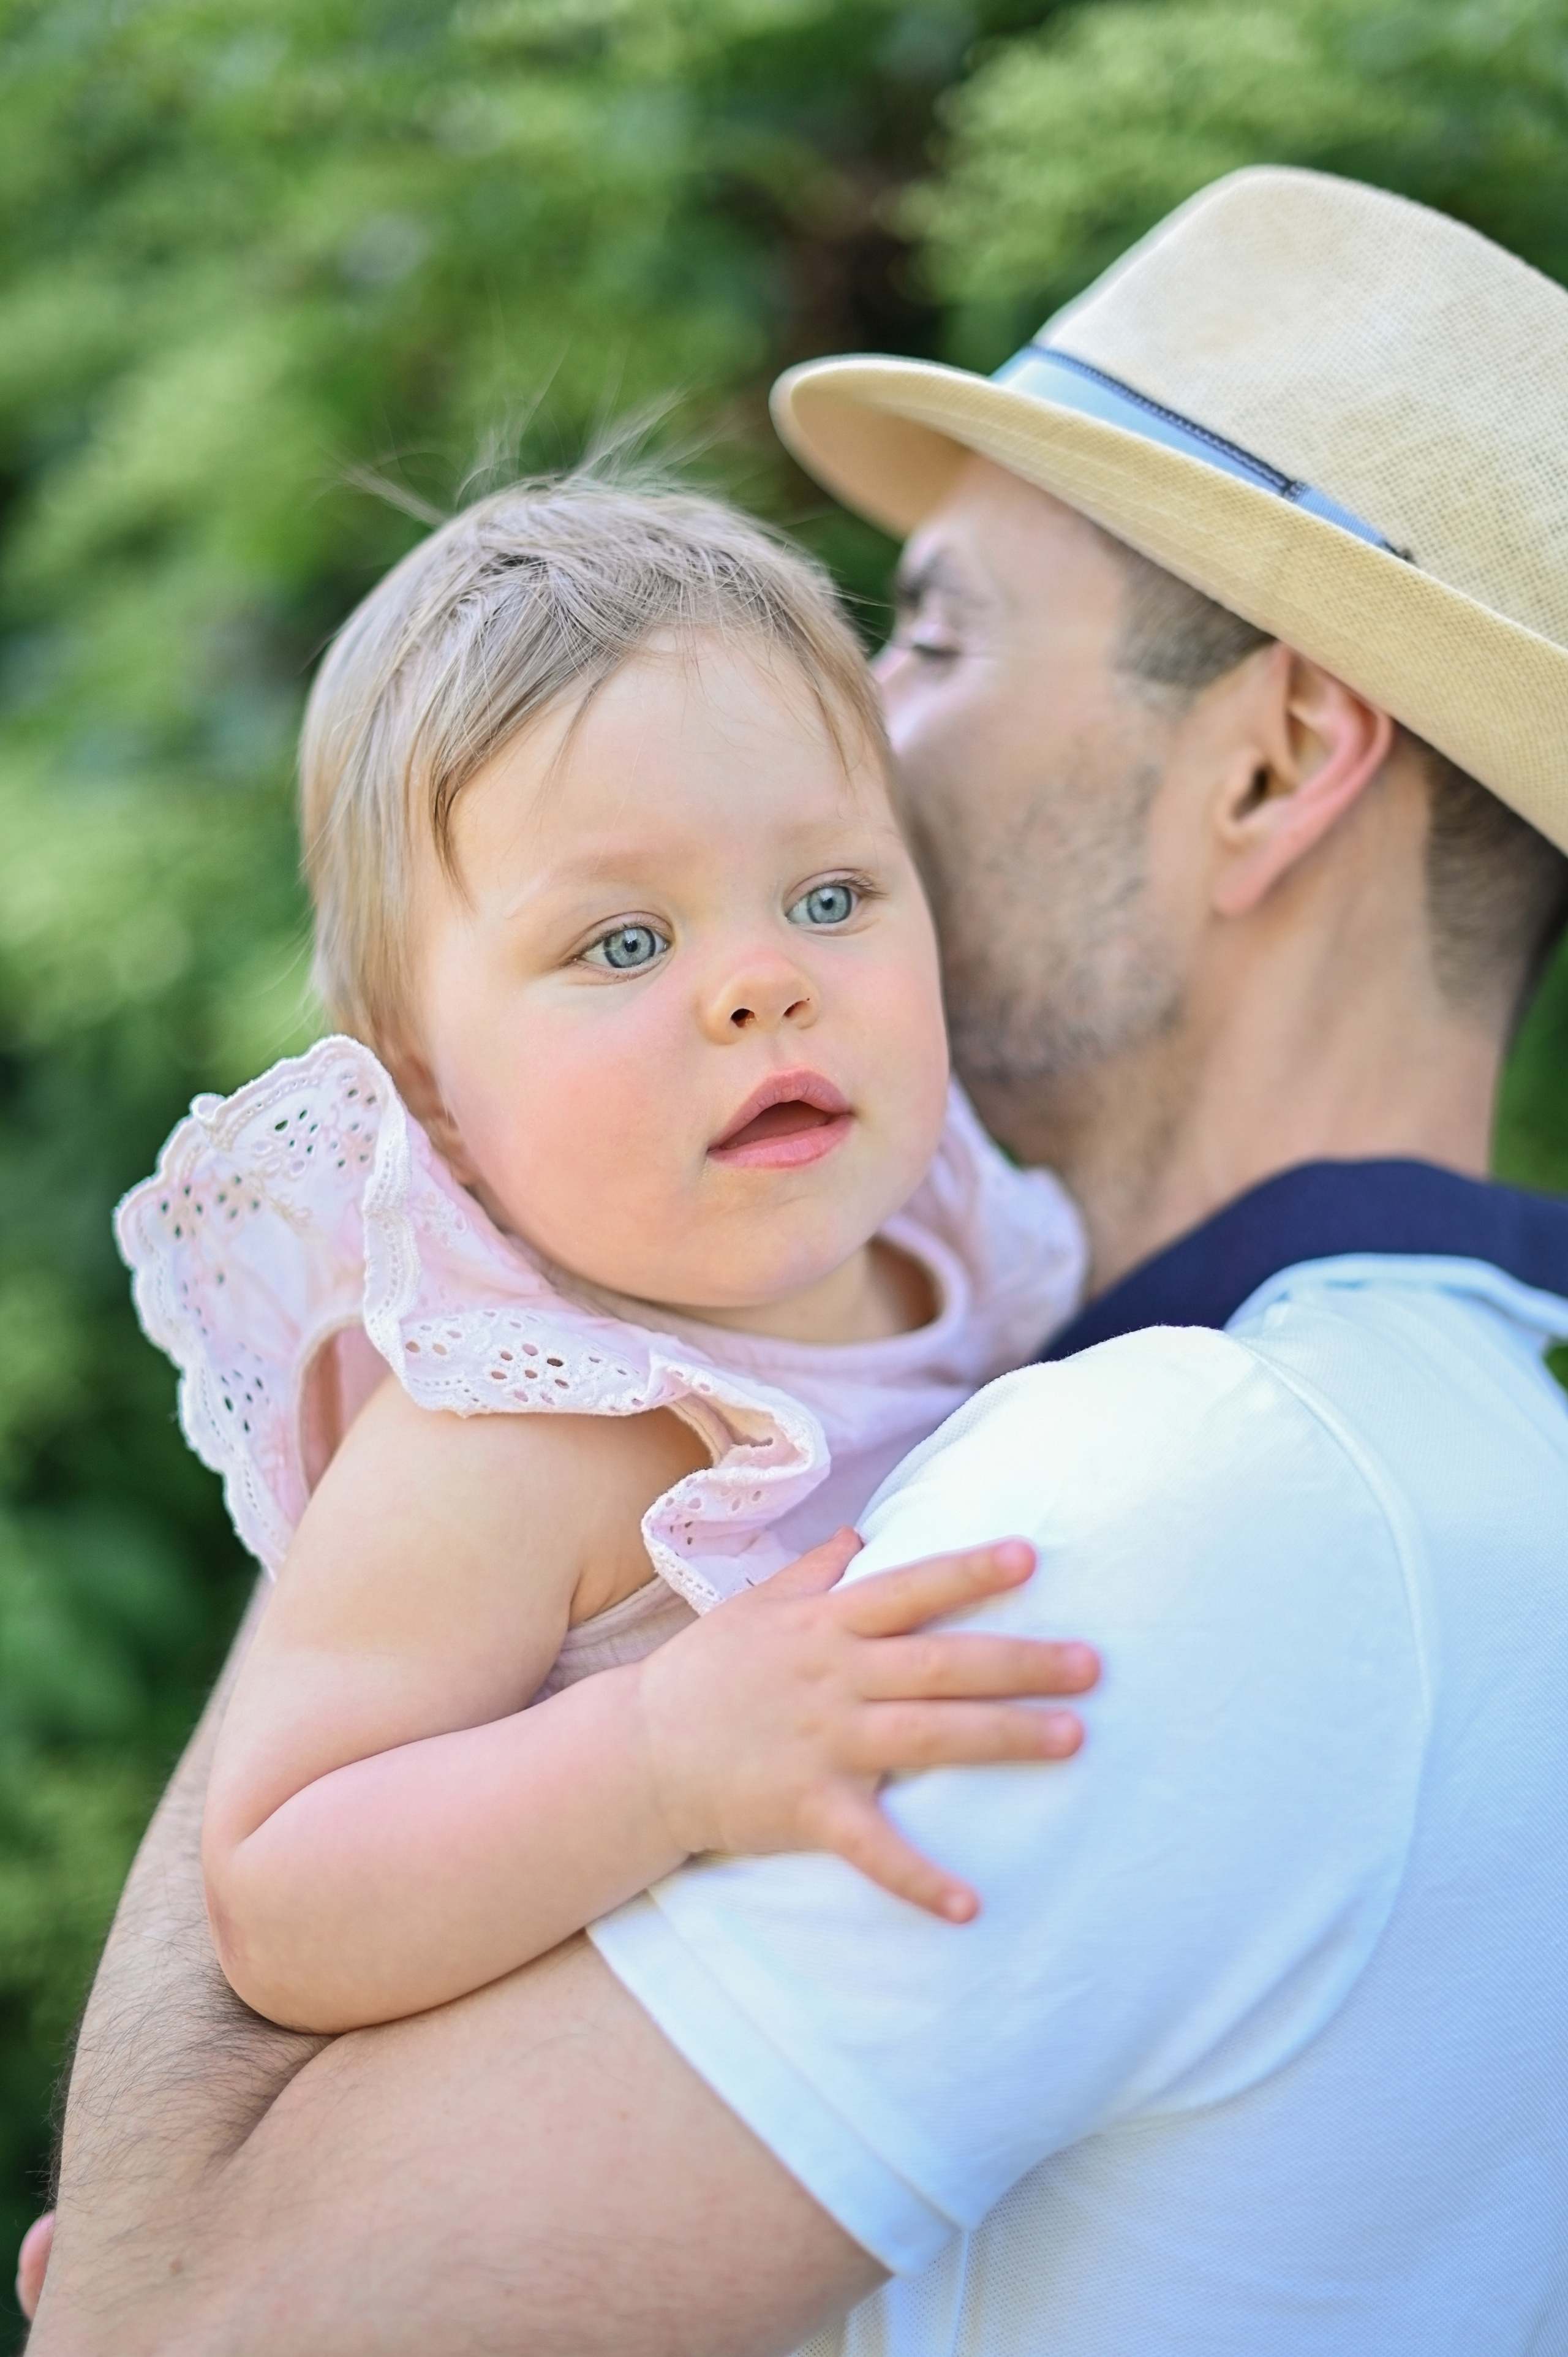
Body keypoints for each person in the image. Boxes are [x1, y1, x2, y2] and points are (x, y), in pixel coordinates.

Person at [24, 162, 1568, 2354]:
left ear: (1279, 759)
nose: (860, 724)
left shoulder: (1188, 1499)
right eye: (626, 934)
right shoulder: (1395, 1426)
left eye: (930, 635)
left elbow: (175, 2326)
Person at [115, 481, 1092, 2037]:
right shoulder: (509, 1439)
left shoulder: (961, 1239)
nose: (765, 982)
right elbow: (279, 1896)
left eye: (829, 896)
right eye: (624, 942)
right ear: (426, 1082)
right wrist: (659, 1754)